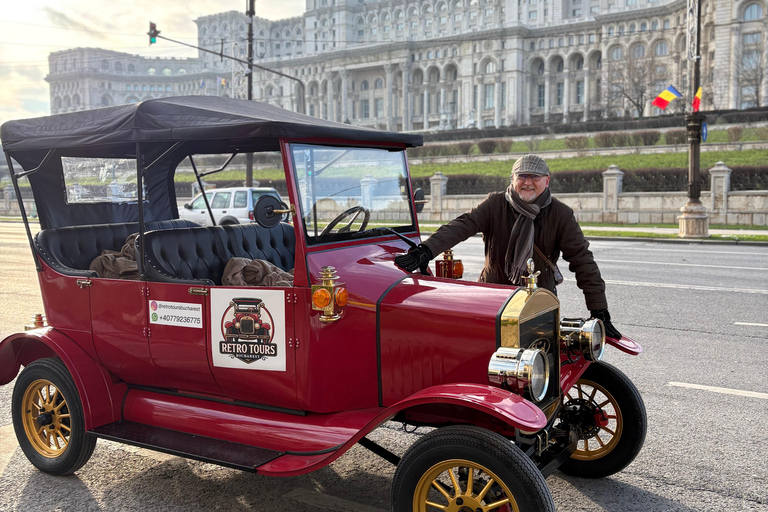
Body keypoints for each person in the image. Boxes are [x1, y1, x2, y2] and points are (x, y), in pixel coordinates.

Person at [395, 154, 622, 339]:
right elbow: (462, 225)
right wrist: (426, 250)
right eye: (522, 176)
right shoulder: (495, 204)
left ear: (547, 181)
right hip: (493, 300)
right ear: (512, 178)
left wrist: (599, 309)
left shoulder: (560, 214)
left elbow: (582, 261)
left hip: (537, 304)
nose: (527, 182)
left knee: (540, 365)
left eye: (535, 176)